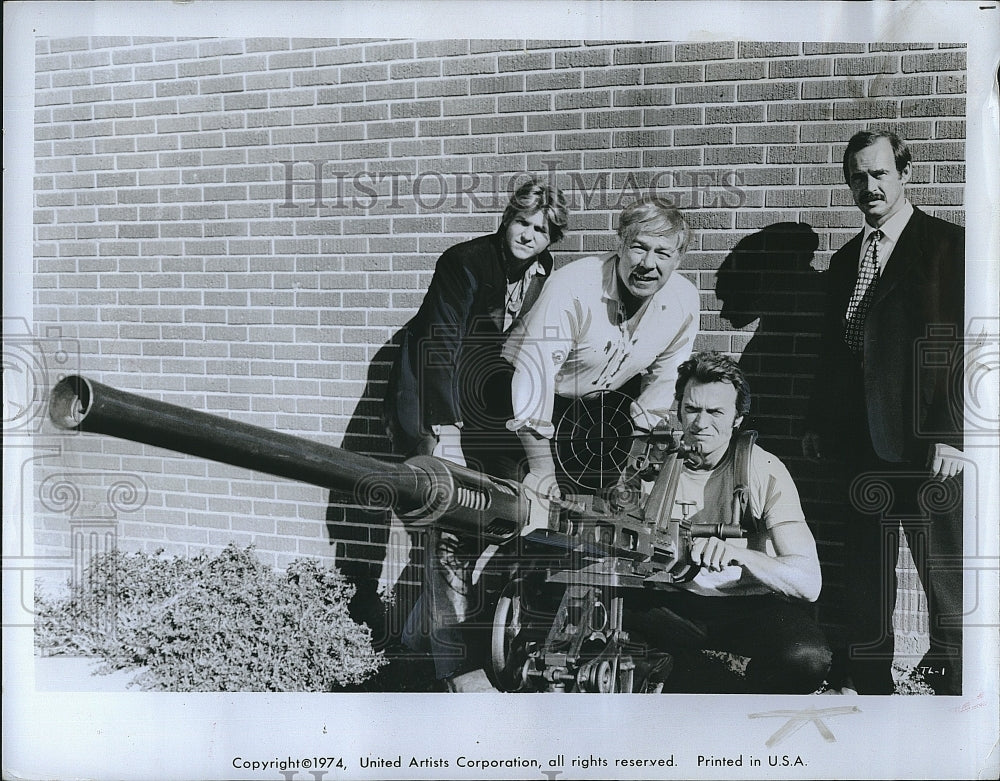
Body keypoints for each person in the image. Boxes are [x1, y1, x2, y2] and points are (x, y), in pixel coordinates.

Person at [384, 176, 569, 692]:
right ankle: (456, 671)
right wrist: (443, 432)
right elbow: (439, 344)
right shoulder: (464, 262)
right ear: (506, 219)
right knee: (445, 519)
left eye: (541, 229)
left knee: (490, 516)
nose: (528, 235)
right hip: (430, 400)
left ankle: (417, 641)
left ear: (552, 239)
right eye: (522, 222)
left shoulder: (543, 274)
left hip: (485, 409)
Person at [803, 130, 965, 695]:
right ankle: (871, 678)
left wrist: (949, 433)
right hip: (859, 441)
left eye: (879, 174)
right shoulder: (848, 258)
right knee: (867, 570)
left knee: (941, 567)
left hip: (924, 441)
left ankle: (959, 679)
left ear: (904, 174)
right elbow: (836, 350)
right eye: (857, 177)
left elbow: (959, 345)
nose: (868, 187)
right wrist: (820, 423)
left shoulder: (946, 247)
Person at [625, 351, 831, 694]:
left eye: (715, 412)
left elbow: (809, 582)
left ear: (737, 418)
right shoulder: (649, 463)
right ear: (678, 409)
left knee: (807, 658)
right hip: (673, 602)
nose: (701, 423)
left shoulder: (764, 469)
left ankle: (736, 702)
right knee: (597, 610)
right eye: (692, 409)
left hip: (746, 607)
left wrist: (742, 555)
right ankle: (674, 675)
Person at [503, 196, 699, 497]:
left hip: (589, 411)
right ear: (620, 244)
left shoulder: (684, 300)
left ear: (679, 258)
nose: (648, 264)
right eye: (639, 247)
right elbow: (533, 378)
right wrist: (541, 470)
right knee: (520, 508)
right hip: (514, 399)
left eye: (662, 253)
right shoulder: (573, 287)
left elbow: (664, 382)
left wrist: (633, 466)